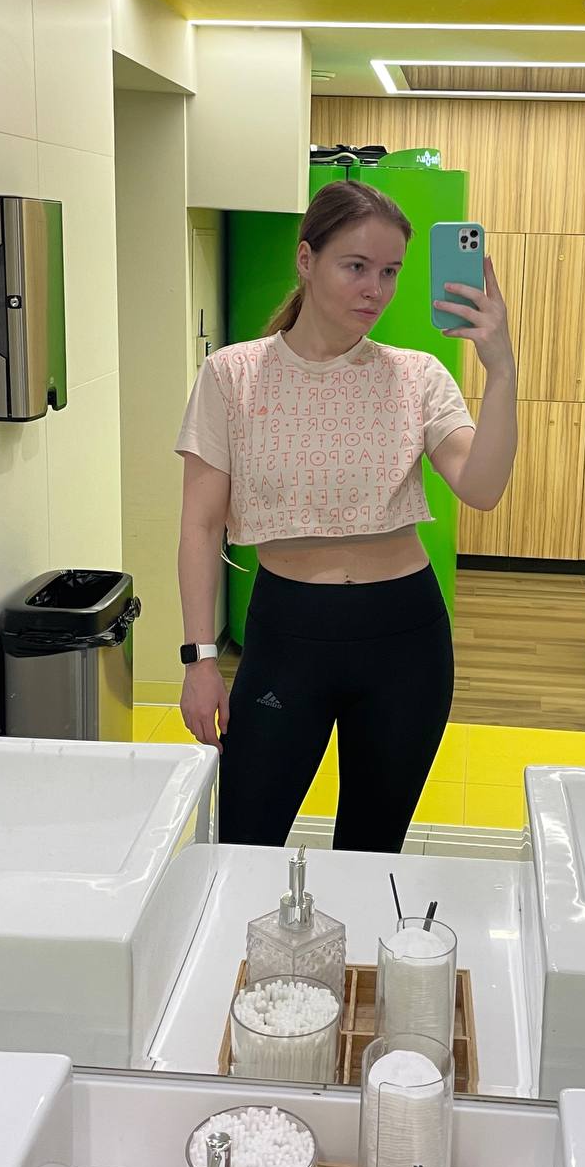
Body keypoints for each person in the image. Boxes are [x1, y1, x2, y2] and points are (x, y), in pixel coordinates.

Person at [174, 181, 517, 852]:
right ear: (306, 260)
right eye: (355, 266)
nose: (374, 290)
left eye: (389, 272)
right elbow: (199, 525)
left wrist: (501, 371)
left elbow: (481, 487)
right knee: (244, 841)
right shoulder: (232, 375)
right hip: (287, 634)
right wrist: (199, 660)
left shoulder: (417, 376)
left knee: (371, 849)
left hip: (405, 639)